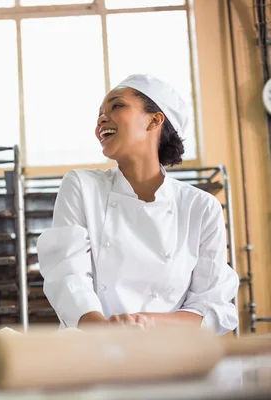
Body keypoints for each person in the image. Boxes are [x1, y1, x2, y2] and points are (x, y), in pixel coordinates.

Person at [37, 74, 239, 335]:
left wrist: (143, 323)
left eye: (117, 106)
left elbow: (211, 306)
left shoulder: (200, 207)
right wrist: (107, 333)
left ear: (154, 120)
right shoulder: (82, 186)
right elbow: (67, 275)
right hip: (94, 351)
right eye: (99, 113)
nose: (101, 119)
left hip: (170, 357)